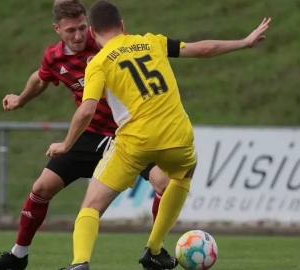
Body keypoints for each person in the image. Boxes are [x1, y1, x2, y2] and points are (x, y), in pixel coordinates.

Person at [46, 1, 271, 270]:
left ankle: (80, 262)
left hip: (135, 141)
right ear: (123, 26)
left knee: (92, 204)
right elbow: (203, 49)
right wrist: (244, 42)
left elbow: (86, 111)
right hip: (177, 135)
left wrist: (66, 144)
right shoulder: (152, 42)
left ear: (92, 33)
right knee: (185, 171)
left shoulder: (99, 62)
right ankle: (153, 249)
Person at [0, 1, 171, 270]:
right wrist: (20, 100)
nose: (79, 36)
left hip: (128, 134)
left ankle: (154, 252)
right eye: (71, 31)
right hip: (90, 135)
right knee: (41, 188)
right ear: (57, 29)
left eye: (82, 28)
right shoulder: (55, 57)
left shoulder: (106, 42)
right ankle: (18, 256)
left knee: (164, 182)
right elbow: (41, 77)